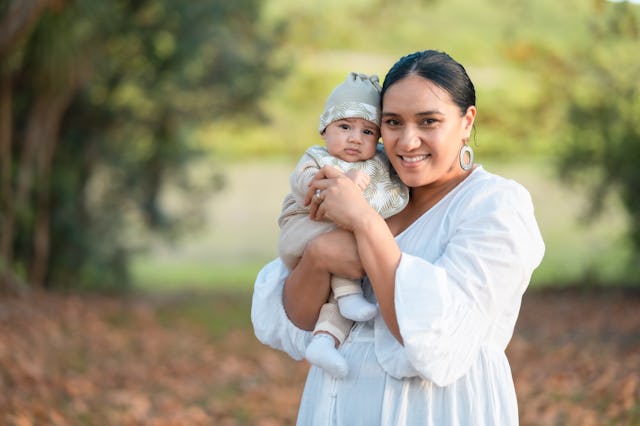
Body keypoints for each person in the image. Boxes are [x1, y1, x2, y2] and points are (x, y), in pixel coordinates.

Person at [252, 50, 545, 425]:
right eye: (393, 122)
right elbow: (298, 321)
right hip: (331, 408)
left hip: (435, 412)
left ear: (466, 121)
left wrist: (363, 222)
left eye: (428, 121)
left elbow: (431, 337)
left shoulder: (494, 206)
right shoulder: (367, 189)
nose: (408, 141)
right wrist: (319, 255)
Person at [278, 71, 409, 378]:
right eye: (345, 126)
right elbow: (305, 185)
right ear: (325, 129)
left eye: (367, 132)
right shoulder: (317, 158)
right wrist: (339, 183)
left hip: (335, 243)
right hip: (305, 229)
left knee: (341, 297)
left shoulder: (376, 165)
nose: (354, 138)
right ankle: (347, 292)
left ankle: (325, 341)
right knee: (352, 242)